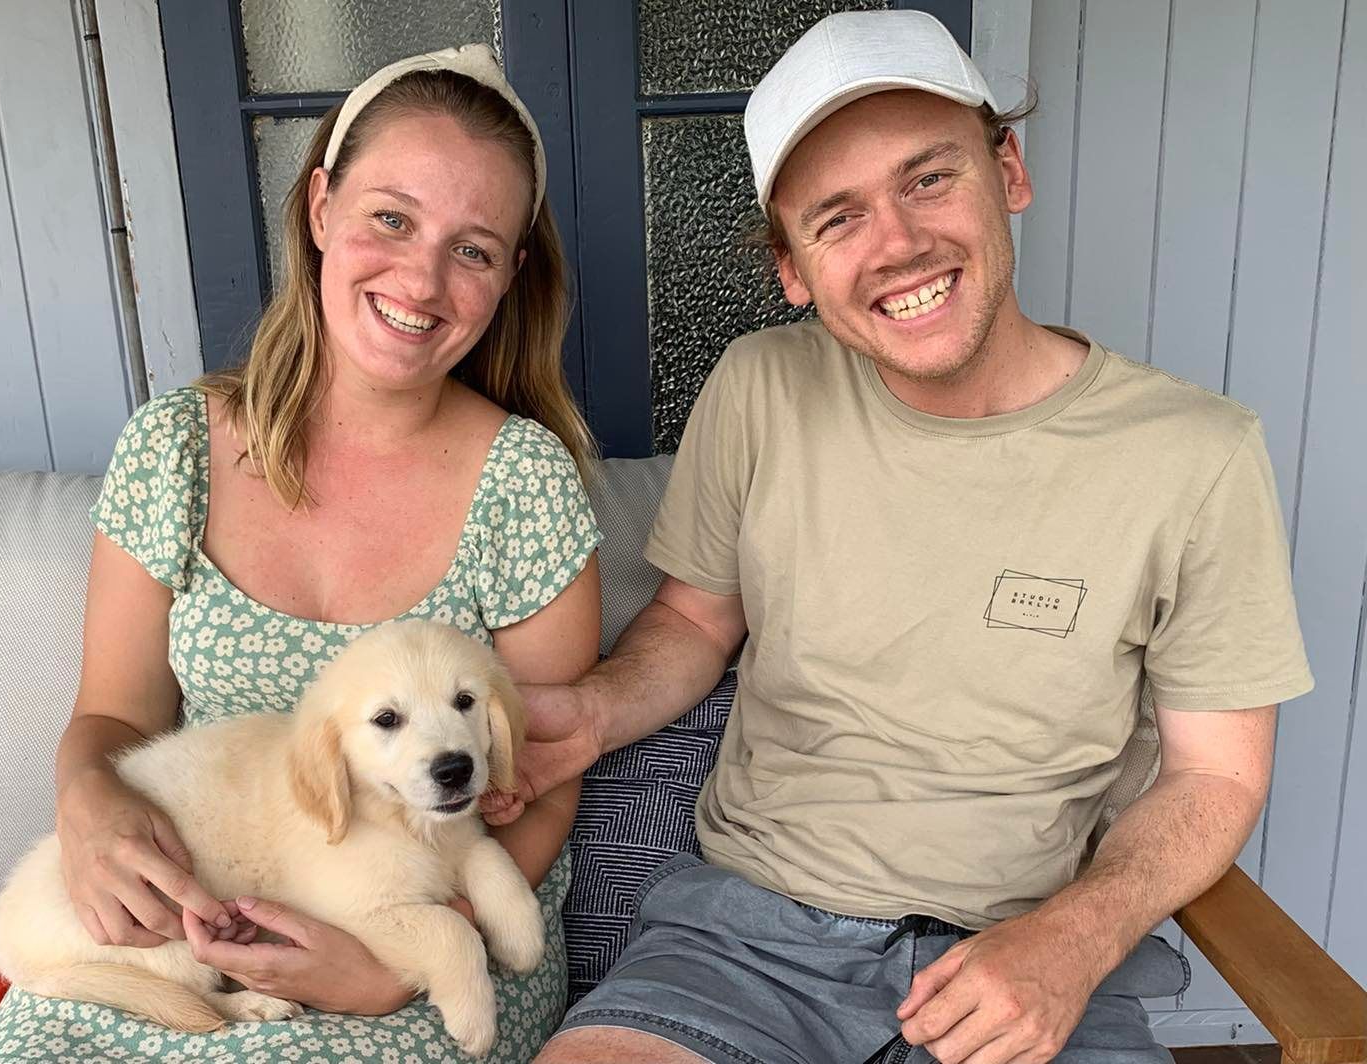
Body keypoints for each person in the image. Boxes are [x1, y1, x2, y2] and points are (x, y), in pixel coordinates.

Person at [489, 12, 1313, 1064]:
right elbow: (695, 616)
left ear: (1006, 168)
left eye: (929, 179)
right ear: (791, 269)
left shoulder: (1197, 454)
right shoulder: (760, 386)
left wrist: (1075, 937)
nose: (899, 244)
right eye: (836, 219)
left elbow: (1217, 775)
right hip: (748, 942)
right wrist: (593, 710)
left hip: (1029, 949)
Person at [0, 44, 601, 1064]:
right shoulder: (172, 447)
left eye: (474, 248)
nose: (423, 279)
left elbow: (546, 778)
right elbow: (113, 716)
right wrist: (90, 810)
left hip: (449, 915)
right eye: (390, 218)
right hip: (218, 893)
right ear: (318, 209)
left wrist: (398, 964)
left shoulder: (525, 482)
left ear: (510, 277)